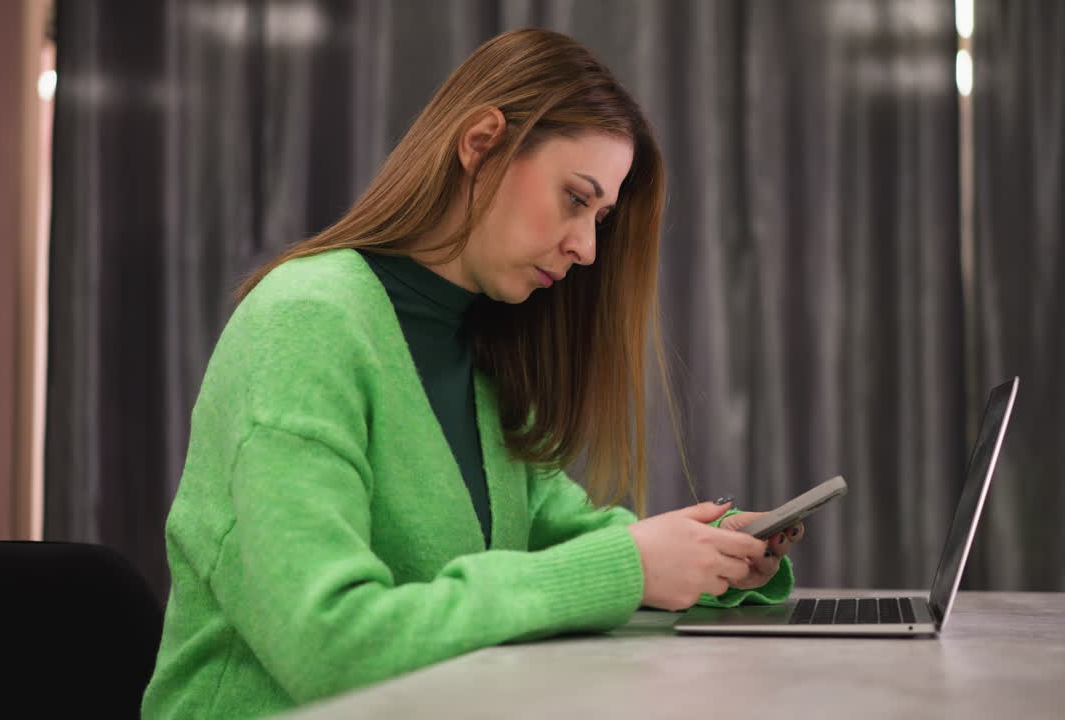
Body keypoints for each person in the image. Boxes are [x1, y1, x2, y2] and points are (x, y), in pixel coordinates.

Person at [141, 28, 804, 719]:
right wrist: (629, 566)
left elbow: (568, 539)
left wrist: (708, 556)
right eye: (576, 200)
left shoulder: (477, 349)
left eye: (602, 219)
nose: (585, 248)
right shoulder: (304, 322)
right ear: (481, 143)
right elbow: (329, 645)